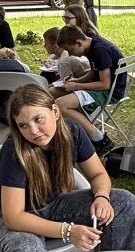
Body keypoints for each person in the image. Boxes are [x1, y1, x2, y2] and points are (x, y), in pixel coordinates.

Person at [0, 84, 135, 252]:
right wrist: (67, 231)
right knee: (26, 249)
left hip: (52, 205)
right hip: (6, 217)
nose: (34, 131)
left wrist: (101, 197)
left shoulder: (72, 131)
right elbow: (13, 218)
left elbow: (98, 174)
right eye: (23, 125)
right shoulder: (14, 150)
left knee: (123, 201)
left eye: (38, 119)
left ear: (55, 112)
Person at [52, 22, 126, 154]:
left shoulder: (100, 50)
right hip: (100, 88)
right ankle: (62, 133)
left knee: (60, 104)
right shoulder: (91, 45)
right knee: (51, 92)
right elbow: (95, 71)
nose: (71, 55)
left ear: (79, 43)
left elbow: (105, 84)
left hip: (108, 93)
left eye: (71, 51)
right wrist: (77, 80)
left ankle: (100, 139)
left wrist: (76, 86)